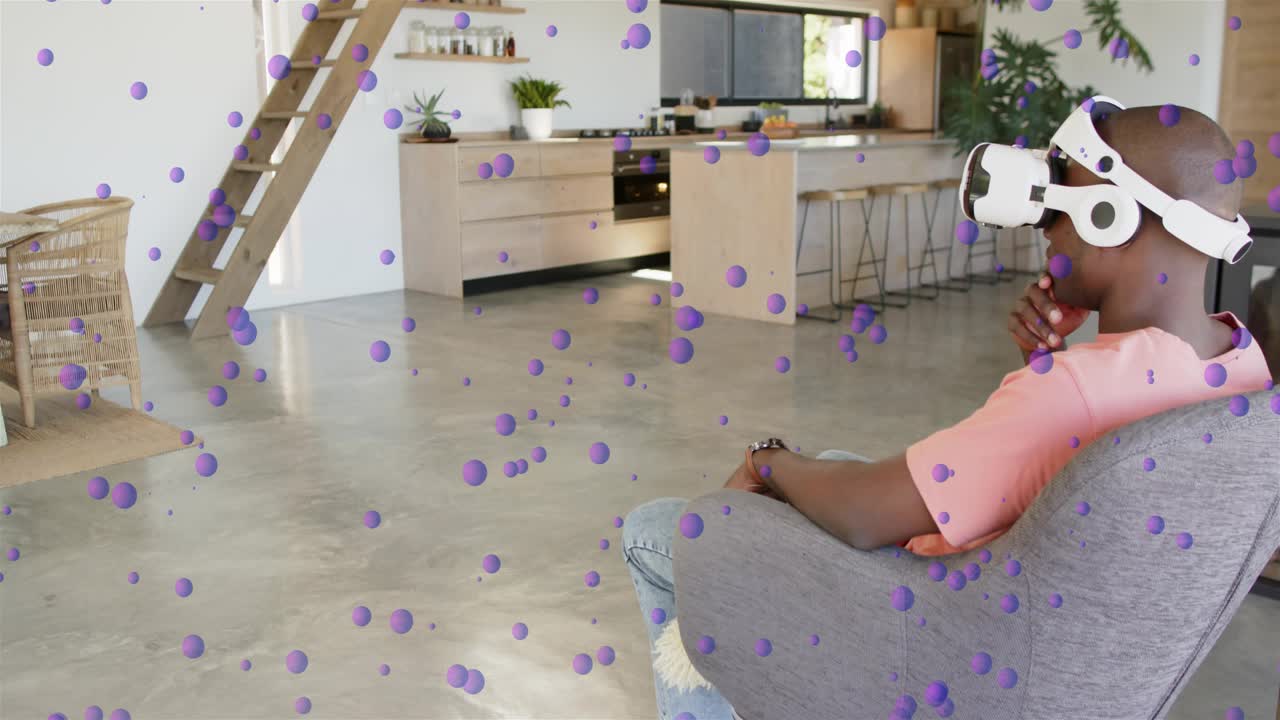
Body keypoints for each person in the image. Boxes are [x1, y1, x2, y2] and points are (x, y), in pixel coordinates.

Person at [622, 103, 1273, 720]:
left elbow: (863, 516)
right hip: (1057, 657)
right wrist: (1040, 364)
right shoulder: (1241, 365)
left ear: (1110, 217)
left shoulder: (1074, 391)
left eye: (1056, 209)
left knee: (661, 529)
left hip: (939, 646)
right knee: (833, 470)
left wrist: (767, 459)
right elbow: (1075, 477)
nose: (1041, 229)